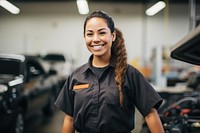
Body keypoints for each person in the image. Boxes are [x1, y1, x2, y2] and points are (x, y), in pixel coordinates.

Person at [55, 11, 164, 133]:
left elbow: (150, 114)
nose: (95, 39)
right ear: (84, 37)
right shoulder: (76, 77)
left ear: (113, 36)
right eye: (90, 34)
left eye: (102, 33)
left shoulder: (130, 74)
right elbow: (70, 118)